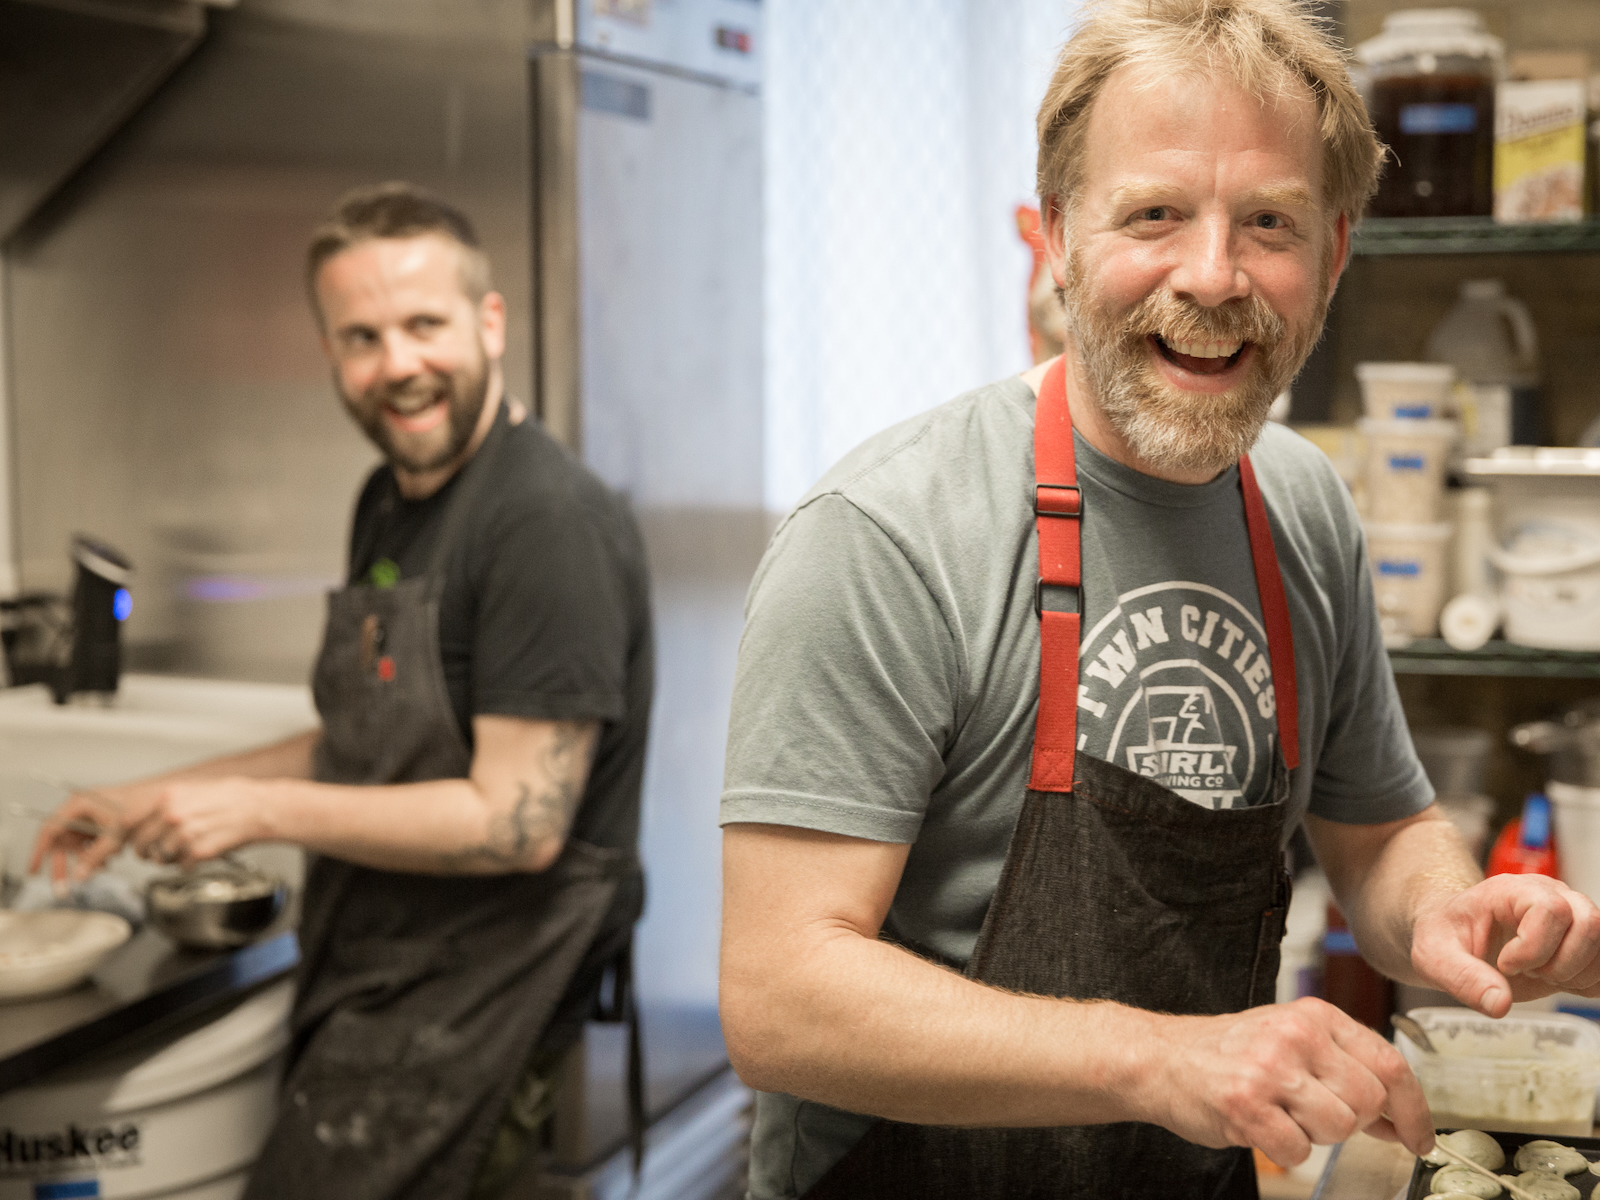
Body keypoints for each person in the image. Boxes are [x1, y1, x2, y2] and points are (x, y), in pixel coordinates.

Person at [717, 2, 1600, 1197]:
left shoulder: (1303, 506)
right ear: (1057, 238)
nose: (1212, 275)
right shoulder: (890, 534)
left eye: (1270, 224)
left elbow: (1378, 829)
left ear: (1334, 255)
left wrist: (1451, 912)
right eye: (1153, 215)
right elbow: (779, 1000)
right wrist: (1163, 1059)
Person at [32, 182, 653, 1199]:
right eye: (361, 337)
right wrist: (158, 796)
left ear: (488, 323)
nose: (397, 365)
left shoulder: (543, 523)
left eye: (423, 325)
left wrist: (255, 812)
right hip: (380, 972)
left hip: (478, 1008)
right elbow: (369, 738)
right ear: (329, 353)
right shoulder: (392, 498)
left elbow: (515, 823)